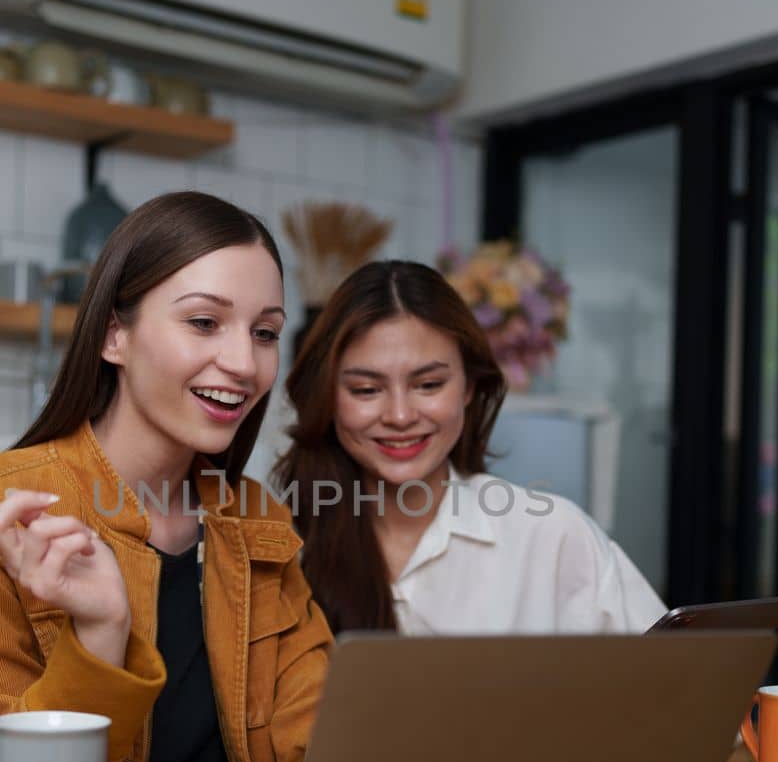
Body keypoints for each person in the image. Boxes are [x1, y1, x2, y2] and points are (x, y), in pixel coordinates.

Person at [0, 192, 332, 762]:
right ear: (114, 336)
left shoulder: (253, 518)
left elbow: (314, 741)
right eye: (204, 323)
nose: (244, 363)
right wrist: (101, 635)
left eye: (264, 332)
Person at [275, 259, 665, 636]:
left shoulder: (551, 538)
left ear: (469, 387)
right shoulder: (281, 546)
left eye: (428, 385)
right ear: (327, 396)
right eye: (366, 390)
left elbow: (675, 680)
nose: (399, 415)